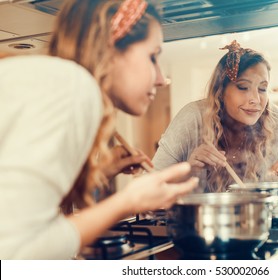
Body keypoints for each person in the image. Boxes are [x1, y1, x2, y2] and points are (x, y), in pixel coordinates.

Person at [0, 0, 198, 260]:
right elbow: (16, 254)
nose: (161, 78)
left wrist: (100, 173)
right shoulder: (73, 87)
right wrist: (127, 202)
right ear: (109, 46)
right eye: (152, 56)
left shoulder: (56, 81)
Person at [153, 40, 278, 192]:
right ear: (220, 90)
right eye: (243, 87)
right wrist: (189, 170)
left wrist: (271, 180)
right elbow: (151, 185)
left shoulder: (276, 121)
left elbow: (269, 199)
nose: (255, 99)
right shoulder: (192, 118)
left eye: (262, 89)